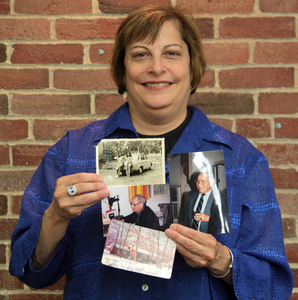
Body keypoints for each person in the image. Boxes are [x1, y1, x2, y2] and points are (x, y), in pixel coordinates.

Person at [9, 5, 293, 300]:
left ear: (192, 67)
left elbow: (273, 286)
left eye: (171, 53)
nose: (156, 67)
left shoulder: (241, 159)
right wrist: (55, 217)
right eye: (141, 54)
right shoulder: (71, 153)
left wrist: (220, 260)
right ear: (123, 70)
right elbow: (29, 270)